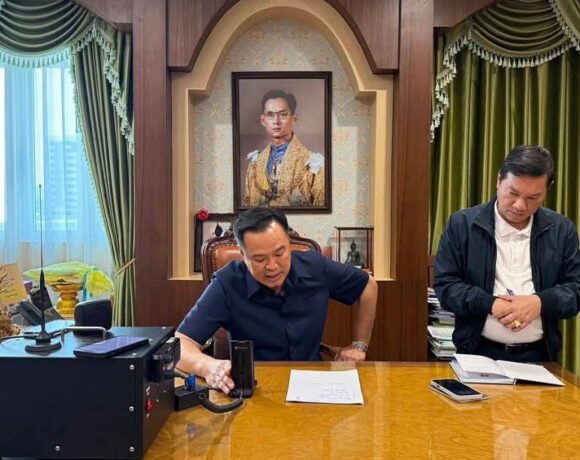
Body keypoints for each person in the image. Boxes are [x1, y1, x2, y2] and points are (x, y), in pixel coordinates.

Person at [176, 207, 377, 393]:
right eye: (259, 259)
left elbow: (368, 286)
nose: (272, 266)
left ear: (289, 244)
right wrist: (209, 367)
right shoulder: (227, 283)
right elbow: (181, 343)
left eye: (280, 253)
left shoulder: (315, 267)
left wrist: (359, 345)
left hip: (314, 385)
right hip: (257, 390)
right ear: (243, 255)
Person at [434, 145, 580, 362]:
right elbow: (446, 286)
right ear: (498, 180)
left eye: (533, 197)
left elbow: (575, 290)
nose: (520, 206)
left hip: (540, 355)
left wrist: (539, 302)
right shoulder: (463, 224)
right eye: (512, 193)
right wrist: (491, 304)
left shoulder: (561, 230)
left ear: (547, 190)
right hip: (477, 352)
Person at [242, 90, 325, 207]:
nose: (276, 121)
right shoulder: (255, 164)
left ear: (294, 119)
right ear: (263, 120)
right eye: (270, 115)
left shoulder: (313, 165)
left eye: (283, 114)